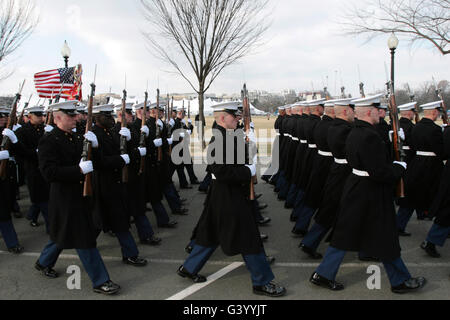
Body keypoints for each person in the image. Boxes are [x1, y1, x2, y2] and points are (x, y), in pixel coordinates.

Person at [310, 94, 426, 294]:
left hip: (359, 187)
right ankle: (399, 281)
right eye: (377, 110)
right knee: (384, 235)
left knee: (349, 234)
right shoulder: (369, 136)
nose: (380, 114)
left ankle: (324, 274)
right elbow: (379, 172)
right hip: (370, 190)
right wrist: (399, 168)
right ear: (370, 111)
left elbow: (371, 162)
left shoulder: (357, 132)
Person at [177, 102, 286, 297]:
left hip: (225, 194)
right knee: (249, 237)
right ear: (222, 118)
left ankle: (189, 268)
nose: (237, 119)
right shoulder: (218, 140)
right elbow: (221, 171)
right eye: (234, 117)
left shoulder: (228, 135)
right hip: (228, 194)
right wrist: (247, 171)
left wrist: (248, 146)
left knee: (211, 234)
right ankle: (261, 282)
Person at [35, 100, 120, 295]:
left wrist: (95, 147)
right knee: (85, 239)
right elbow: (49, 172)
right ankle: (101, 280)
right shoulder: (49, 140)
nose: (75, 118)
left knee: (62, 234)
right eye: (70, 116)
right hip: (65, 198)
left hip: (82, 196)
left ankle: (43, 262)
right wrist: (77, 170)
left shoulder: (74, 137)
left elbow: (94, 162)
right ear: (57, 118)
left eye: (75, 115)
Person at [91, 103, 148, 267]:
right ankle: (49, 258)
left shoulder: (109, 133)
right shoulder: (94, 135)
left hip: (114, 184)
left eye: (111, 115)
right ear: (97, 118)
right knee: (96, 223)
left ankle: (130, 254)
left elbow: (122, 151)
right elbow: (99, 162)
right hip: (102, 185)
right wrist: (119, 160)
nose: (112, 119)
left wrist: (129, 142)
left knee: (119, 221)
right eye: (107, 116)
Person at [299, 98, 354, 259]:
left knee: (329, 209)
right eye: (352, 109)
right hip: (343, 173)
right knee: (336, 210)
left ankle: (310, 241)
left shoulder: (331, 126)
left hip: (335, 169)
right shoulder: (343, 129)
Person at [116, 102, 161, 246]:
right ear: (120, 115)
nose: (131, 116)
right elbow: (120, 153)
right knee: (118, 213)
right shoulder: (115, 131)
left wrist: (147, 138)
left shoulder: (130, 129)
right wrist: (136, 151)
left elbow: (141, 145)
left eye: (130, 113)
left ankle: (146, 235)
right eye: (128, 113)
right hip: (122, 177)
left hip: (134, 174)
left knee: (137, 207)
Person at [404, 100, 445, 223]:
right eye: (438, 112)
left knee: (414, 195)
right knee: (437, 193)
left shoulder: (415, 127)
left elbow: (412, 145)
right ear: (434, 112)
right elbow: (440, 150)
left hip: (417, 162)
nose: (438, 114)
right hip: (432, 165)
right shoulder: (435, 129)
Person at [15, 105, 50, 231]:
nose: (42, 118)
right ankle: (51, 228)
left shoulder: (43, 129)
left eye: (42, 115)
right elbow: (21, 152)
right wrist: (36, 152)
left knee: (40, 198)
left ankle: (32, 216)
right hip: (32, 169)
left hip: (44, 167)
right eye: (38, 115)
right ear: (30, 117)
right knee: (43, 200)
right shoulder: (22, 131)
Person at [395, 102, 426, 236]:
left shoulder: (396, 125)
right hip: (410, 161)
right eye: (413, 112)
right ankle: (400, 225)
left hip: (401, 161)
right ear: (409, 113)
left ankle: (420, 212)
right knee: (410, 194)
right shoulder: (412, 127)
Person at [0, 106, 24, 254]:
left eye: (4, 116)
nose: (3, 118)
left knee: (4, 211)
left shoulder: (6, 134)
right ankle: (12, 242)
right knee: (3, 213)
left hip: (5, 180)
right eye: (0, 116)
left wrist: (15, 140)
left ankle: (12, 242)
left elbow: (23, 152)